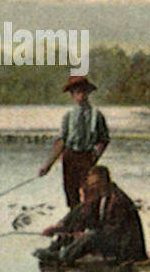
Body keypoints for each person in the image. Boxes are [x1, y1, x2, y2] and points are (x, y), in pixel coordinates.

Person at [34, 166, 146, 264]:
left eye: (95, 183)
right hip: (113, 243)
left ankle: (64, 257)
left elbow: (114, 231)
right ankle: (53, 250)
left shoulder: (119, 200)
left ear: (104, 181)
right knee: (73, 235)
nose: (92, 187)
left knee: (91, 236)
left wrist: (84, 235)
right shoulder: (102, 197)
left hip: (127, 250)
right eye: (91, 184)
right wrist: (59, 228)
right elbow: (82, 214)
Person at [38, 75, 110, 208]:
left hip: (87, 157)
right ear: (72, 95)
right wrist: (48, 165)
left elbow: (104, 140)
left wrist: (96, 155)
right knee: (71, 193)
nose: (81, 96)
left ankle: (88, 224)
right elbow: (61, 141)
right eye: (77, 92)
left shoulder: (97, 115)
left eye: (83, 92)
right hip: (70, 157)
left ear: (88, 93)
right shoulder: (68, 116)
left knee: (89, 192)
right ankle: (74, 223)